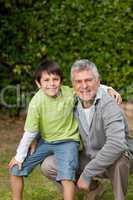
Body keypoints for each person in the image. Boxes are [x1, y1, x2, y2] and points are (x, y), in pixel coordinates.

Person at [41, 59, 133, 200]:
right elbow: (48, 92)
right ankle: (94, 189)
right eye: (78, 81)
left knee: (120, 159)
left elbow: (117, 145)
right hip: (90, 156)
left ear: (97, 81)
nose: (83, 86)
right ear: (73, 84)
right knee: (49, 165)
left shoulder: (109, 104)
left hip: (118, 158)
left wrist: (87, 173)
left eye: (88, 80)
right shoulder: (72, 102)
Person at [8, 60, 80, 200]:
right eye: (46, 80)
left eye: (55, 79)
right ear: (38, 83)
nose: (51, 84)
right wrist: (19, 156)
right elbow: (30, 133)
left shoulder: (68, 93)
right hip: (46, 141)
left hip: (68, 141)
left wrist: (107, 88)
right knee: (15, 169)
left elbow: (87, 87)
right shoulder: (36, 102)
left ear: (61, 81)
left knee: (66, 176)